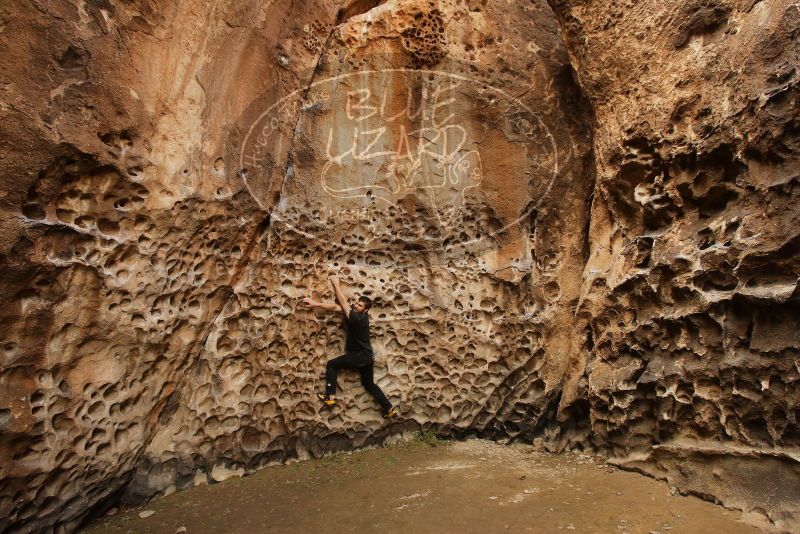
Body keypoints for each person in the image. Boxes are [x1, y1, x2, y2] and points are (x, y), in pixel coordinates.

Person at [302, 274, 397, 418]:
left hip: (360, 355)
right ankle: (389, 408)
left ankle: (330, 397)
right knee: (369, 384)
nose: (356, 305)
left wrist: (336, 284)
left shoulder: (358, 318)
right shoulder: (356, 314)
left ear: (365, 310)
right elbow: (336, 307)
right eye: (357, 303)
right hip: (367, 356)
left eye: (359, 305)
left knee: (332, 365)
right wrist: (315, 304)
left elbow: (343, 302)